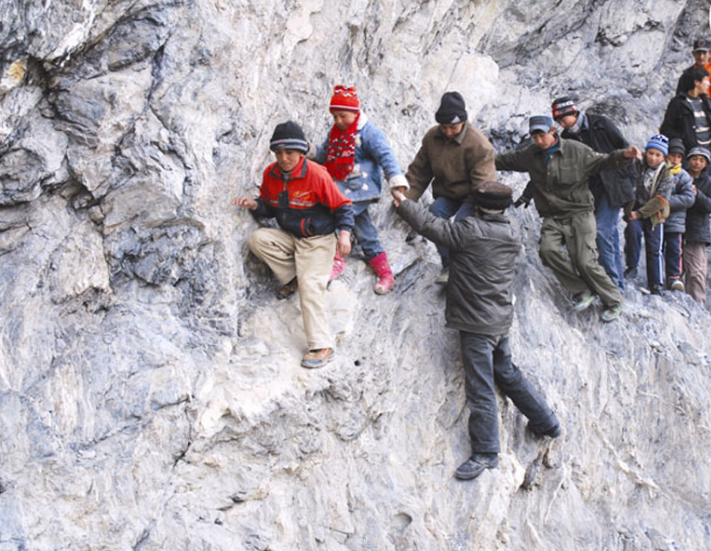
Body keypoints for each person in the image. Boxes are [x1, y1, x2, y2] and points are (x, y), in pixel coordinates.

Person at [392, 181, 562, 481]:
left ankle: (486, 452)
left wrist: (404, 203)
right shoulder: (512, 232)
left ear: (478, 206)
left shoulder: (470, 231)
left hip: (475, 323)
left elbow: (432, 226)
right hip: (499, 319)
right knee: (506, 372)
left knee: (480, 386)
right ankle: (546, 421)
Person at [233, 121, 354, 369]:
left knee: (312, 286)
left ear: (300, 152)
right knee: (258, 240)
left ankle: (322, 346)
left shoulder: (316, 174)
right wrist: (255, 205)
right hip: (291, 236)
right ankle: (294, 277)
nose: (284, 158)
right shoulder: (271, 174)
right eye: (278, 152)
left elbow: (343, 206)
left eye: (289, 152)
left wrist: (344, 234)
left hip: (318, 240)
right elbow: (269, 205)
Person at [496, 115, 639, 322]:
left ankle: (614, 300)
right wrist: (476, 157)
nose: (538, 140)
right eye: (534, 136)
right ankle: (582, 289)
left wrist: (624, 155)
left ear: (553, 131)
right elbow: (504, 160)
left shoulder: (576, 150)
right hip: (553, 216)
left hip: (579, 213)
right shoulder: (530, 155)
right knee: (548, 251)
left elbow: (603, 162)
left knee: (585, 260)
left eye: (542, 135)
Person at [315, 85, 408, 294]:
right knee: (364, 230)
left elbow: (385, 155)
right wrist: (311, 151)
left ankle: (337, 259)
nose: (338, 121)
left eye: (343, 116)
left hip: (361, 188)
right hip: (341, 186)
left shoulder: (369, 132)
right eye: (335, 116)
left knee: (340, 216)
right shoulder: (336, 133)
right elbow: (325, 156)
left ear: (355, 112)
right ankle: (385, 273)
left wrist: (395, 179)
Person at [404, 91, 497, 283]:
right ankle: (448, 265)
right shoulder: (432, 137)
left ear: (463, 122)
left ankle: (464, 268)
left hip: (473, 194)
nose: (447, 132)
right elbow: (420, 171)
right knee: (434, 217)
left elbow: (484, 182)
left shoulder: (478, 144)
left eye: (453, 127)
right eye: (444, 127)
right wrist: (406, 200)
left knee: (462, 228)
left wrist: (484, 212)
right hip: (447, 192)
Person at [551, 96, 634, 289]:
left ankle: (612, 285)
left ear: (573, 113)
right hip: (592, 191)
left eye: (563, 119)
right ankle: (618, 286)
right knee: (610, 235)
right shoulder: (567, 138)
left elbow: (624, 148)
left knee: (603, 232)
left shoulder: (600, 124)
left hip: (614, 185)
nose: (562, 124)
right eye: (559, 121)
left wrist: (628, 182)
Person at [623, 134, 674, 295]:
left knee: (654, 248)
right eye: (650, 153)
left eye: (657, 155)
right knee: (632, 232)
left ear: (663, 156)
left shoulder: (666, 174)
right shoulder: (638, 165)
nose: (653, 157)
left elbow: (660, 199)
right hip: (636, 207)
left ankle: (656, 283)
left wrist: (640, 214)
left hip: (654, 214)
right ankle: (631, 266)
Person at [662, 139, 695, 291]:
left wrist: (664, 202)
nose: (675, 159)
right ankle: (658, 277)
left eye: (678, 156)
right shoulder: (659, 171)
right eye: (672, 155)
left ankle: (674, 277)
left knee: (675, 249)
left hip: (676, 221)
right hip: (658, 219)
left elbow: (689, 198)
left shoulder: (684, 176)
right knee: (657, 249)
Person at [683, 147, 711, 304]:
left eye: (701, 160)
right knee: (676, 270)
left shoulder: (708, 182)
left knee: (697, 272)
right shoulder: (681, 176)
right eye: (694, 159)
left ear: (706, 163)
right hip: (678, 227)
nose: (697, 163)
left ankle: (698, 306)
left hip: (698, 231)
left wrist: (697, 194)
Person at [660, 67, 711, 153]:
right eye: (706, 80)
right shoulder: (678, 103)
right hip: (690, 153)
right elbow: (666, 129)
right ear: (697, 82)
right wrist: (686, 138)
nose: (709, 84)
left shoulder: (707, 103)